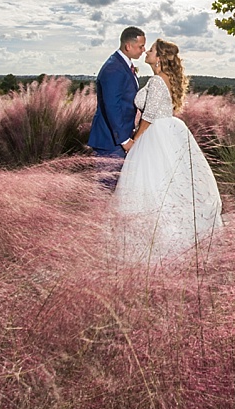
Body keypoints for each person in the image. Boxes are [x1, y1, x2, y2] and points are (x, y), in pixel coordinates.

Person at [112, 39, 223, 264]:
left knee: (152, 186)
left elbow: (149, 117)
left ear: (159, 58)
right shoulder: (166, 80)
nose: (147, 52)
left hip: (154, 135)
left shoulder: (156, 81)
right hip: (169, 132)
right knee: (168, 186)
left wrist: (133, 142)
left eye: (151, 50)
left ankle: (156, 242)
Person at [88, 26, 146, 190]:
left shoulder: (123, 65)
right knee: (107, 189)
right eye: (140, 46)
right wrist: (124, 140)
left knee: (116, 188)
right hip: (110, 140)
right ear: (128, 46)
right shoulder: (114, 68)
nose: (143, 50)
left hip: (118, 138)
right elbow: (112, 106)